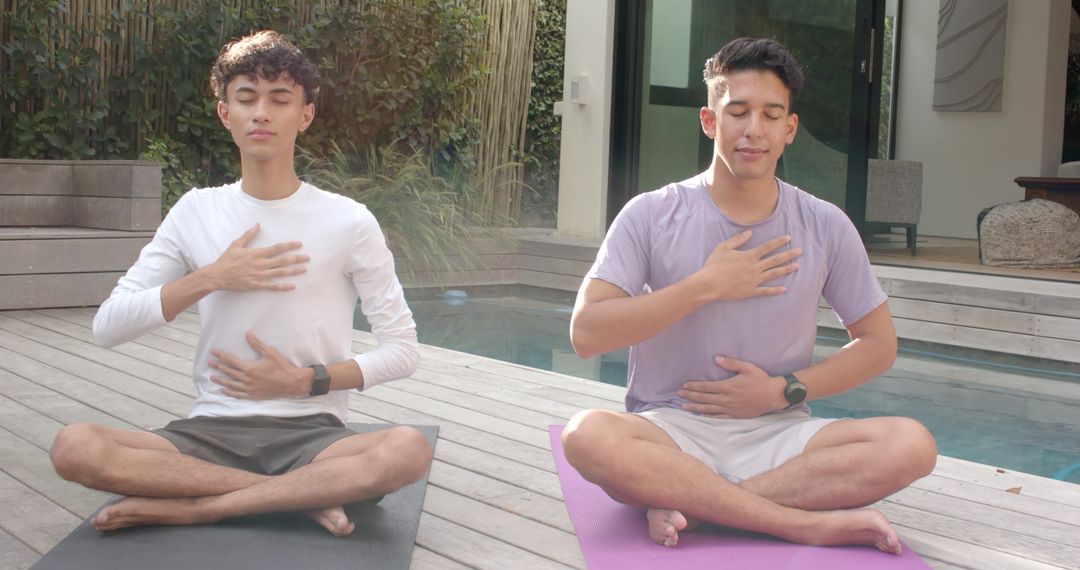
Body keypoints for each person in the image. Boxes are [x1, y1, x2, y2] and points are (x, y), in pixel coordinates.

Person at [561, 37, 937, 554]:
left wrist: (784, 390)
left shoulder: (825, 225)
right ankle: (798, 523)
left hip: (778, 434)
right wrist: (706, 286)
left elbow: (878, 345)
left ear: (790, 129)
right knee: (586, 435)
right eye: (737, 112)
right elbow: (586, 334)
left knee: (911, 445)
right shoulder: (650, 214)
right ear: (710, 121)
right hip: (670, 432)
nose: (753, 130)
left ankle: (695, 506)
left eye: (770, 114)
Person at [49, 30, 432, 536]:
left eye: (280, 99)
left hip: (315, 437)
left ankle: (203, 505)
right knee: (75, 447)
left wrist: (308, 380)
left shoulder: (348, 221)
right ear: (225, 113)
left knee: (407, 448)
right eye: (246, 98)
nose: (262, 113)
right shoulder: (196, 210)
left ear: (305, 115)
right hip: (209, 431)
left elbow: (403, 349)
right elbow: (107, 327)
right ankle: (296, 500)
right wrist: (209, 278)